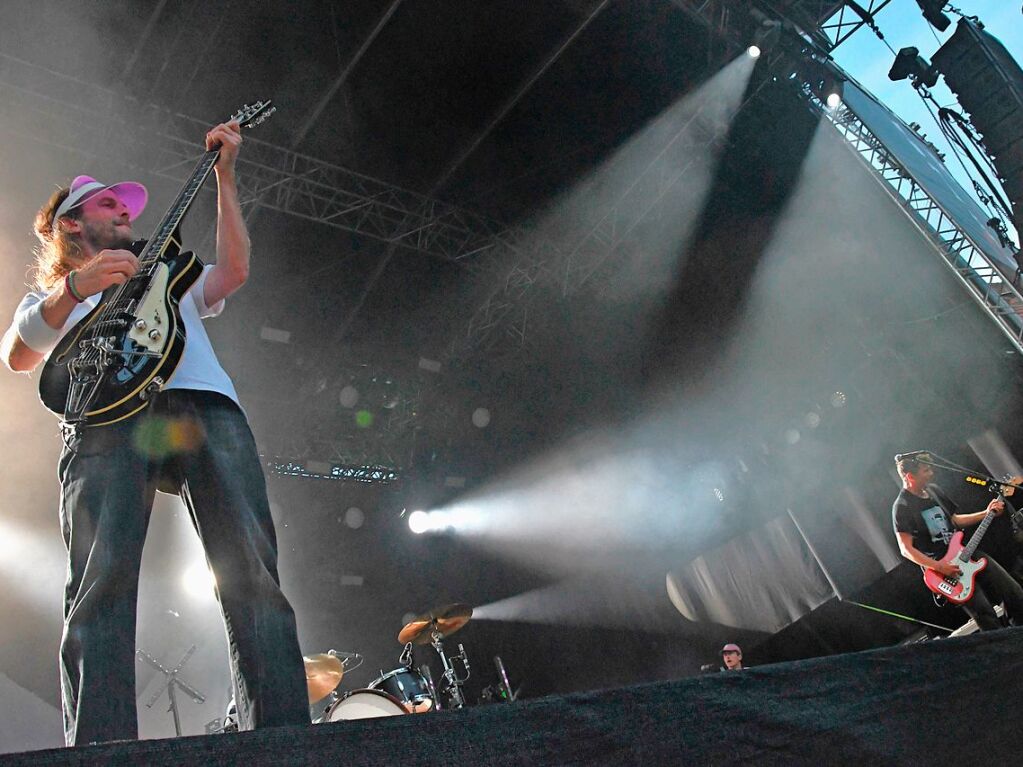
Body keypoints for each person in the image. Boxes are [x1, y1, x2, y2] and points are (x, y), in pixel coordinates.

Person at [0, 121, 308, 745]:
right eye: (108, 204)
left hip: (203, 405)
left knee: (248, 566)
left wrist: (225, 176)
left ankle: (283, 737)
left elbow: (237, 271)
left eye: (123, 204)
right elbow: (17, 353)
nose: (122, 210)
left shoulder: (169, 267)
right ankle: (100, 746)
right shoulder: (59, 294)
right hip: (105, 422)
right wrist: (78, 287)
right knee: (101, 579)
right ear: (70, 224)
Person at [891, 453, 1023, 631]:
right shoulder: (903, 506)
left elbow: (954, 520)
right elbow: (906, 549)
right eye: (926, 470)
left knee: (1013, 592)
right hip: (944, 570)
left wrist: (986, 512)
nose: (931, 473)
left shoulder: (934, 491)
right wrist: (939, 567)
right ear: (910, 476)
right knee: (985, 614)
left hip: (965, 552)